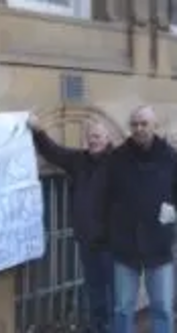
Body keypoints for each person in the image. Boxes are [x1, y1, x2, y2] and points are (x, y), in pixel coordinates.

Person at [28, 115, 114, 332]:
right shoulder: (79, 160)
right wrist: (38, 131)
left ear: (107, 138)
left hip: (113, 244)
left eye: (96, 136)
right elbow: (54, 152)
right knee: (94, 292)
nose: (92, 140)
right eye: (89, 137)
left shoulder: (119, 162)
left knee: (114, 294)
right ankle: (97, 328)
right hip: (88, 241)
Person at [102, 105, 177, 333]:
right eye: (134, 124)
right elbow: (105, 196)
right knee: (123, 308)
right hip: (125, 245)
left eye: (144, 123)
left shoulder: (170, 157)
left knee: (163, 307)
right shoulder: (117, 158)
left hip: (159, 244)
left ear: (155, 126)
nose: (139, 128)